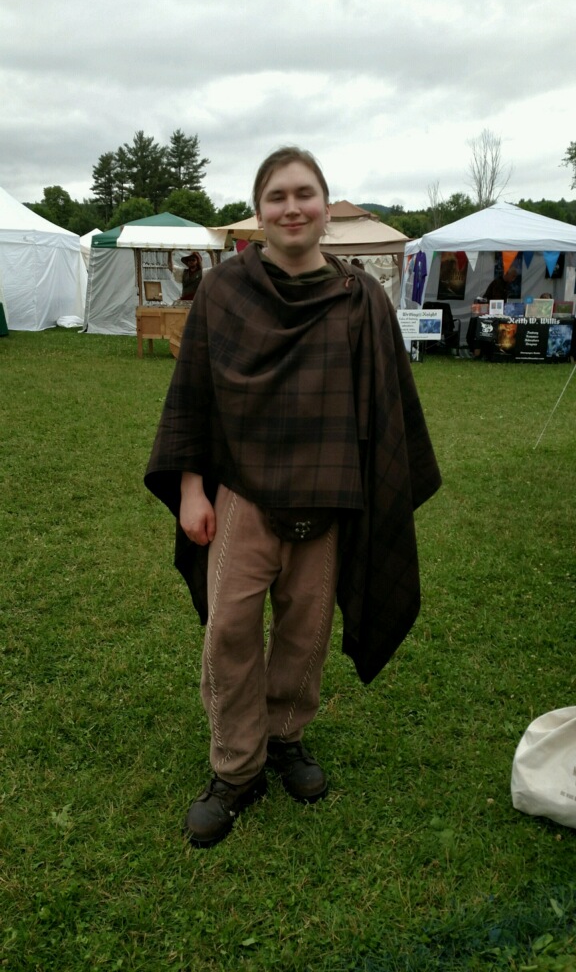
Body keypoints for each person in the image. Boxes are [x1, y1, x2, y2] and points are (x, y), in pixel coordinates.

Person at [144, 146, 441, 849]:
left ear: (325, 207)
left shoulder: (360, 298)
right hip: (243, 496)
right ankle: (236, 769)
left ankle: (284, 738)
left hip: (332, 498)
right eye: (277, 196)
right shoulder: (224, 291)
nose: (292, 207)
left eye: (305, 193)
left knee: (304, 637)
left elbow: (386, 407)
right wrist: (191, 487)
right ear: (260, 211)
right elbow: (193, 395)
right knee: (231, 632)